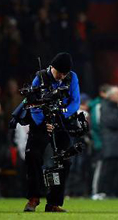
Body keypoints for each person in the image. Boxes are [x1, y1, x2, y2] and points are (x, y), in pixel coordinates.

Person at [23, 52, 80, 213]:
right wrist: (44, 124)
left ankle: (54, 203)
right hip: (41, 122)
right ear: (51, 67)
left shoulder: (72, 77)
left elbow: (75, 102)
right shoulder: (40, 78)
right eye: (59, 73)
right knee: (33, 157)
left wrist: (61, 116)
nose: (61, 76)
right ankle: (33, 198)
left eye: (65, 73)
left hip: (61, 123)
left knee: (65, 161)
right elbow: (32, 104)